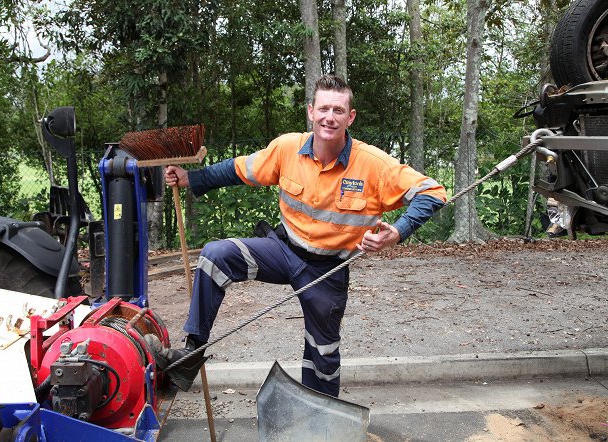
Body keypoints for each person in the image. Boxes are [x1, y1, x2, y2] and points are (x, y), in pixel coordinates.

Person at [164, 74, 447, 397]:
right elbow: (238, 169)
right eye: (324, 108)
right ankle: (191, 352)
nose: (330, 117)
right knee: (215, 256)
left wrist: (398, 231)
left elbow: (433, 192)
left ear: (350, 117)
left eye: (338, 110)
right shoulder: (288, 148)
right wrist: (192, 178)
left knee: (322, 356)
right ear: (311, 111)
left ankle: (319, 417)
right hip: (283, 252)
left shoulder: (373, 165)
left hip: (328, 271)